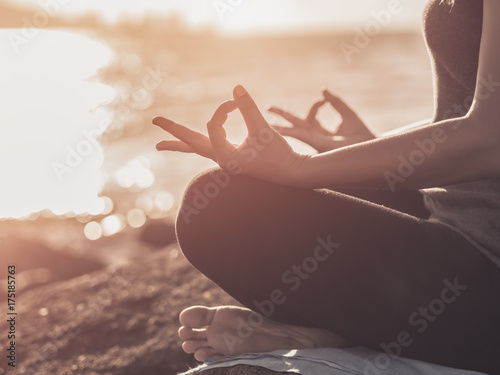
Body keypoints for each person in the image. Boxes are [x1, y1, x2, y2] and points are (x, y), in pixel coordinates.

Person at [152, 0, 500, 373]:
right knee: (245, 190)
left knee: (216, 210)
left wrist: (300, 168)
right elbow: (463, 115)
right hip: (456, 224)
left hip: (486, 275)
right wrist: (359, 147)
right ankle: (331, 335)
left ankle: (336, 332)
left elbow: (490, 138)